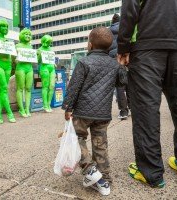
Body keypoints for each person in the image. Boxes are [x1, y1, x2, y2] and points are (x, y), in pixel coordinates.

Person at [117, 0, 177, 188]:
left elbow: (130, 8)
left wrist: (123, 46)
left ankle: (151, 173)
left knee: (146, 110)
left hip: (148, 46)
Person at [62, 27, 119, 196]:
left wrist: (68, 107)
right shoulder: (114, 64)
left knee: (76, 138)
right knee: (100, 145)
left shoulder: (84, 62)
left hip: (82, 111)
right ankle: (105, 179)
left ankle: (90, 170)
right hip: (102, 114)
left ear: (91, 45)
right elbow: (122, 83)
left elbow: (74, 88)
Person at [109, 13, 130, 119]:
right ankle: (131, 107)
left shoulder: (108, 32)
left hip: (114, 61)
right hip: (126, 59)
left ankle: (123, 111)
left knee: (119, 86)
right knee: (130, 84)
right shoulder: (125, 28)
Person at [15, 28, 34, 117]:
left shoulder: (30, 47)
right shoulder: (17, 46)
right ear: (22, 35)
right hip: (20, 68)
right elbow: (12, 58)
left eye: (29, 35)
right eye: (26, 34)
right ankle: (21, 109)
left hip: (29, 68)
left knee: (28, 89)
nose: (28, 36)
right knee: (20, 88)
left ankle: (27, 108)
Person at [37, 35, 55, 112]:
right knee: (45, 86)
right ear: (44, 41)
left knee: (52, 86)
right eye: (48, 42)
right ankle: (45, 105)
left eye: (50, 42)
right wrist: (40, 55)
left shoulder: (51, 49)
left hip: (52, 68)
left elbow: (52, 59)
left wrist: (54, 63)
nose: (49, 43)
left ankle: (48, 104)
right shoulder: (39, 49)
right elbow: (37, 61)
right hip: (44, 67)